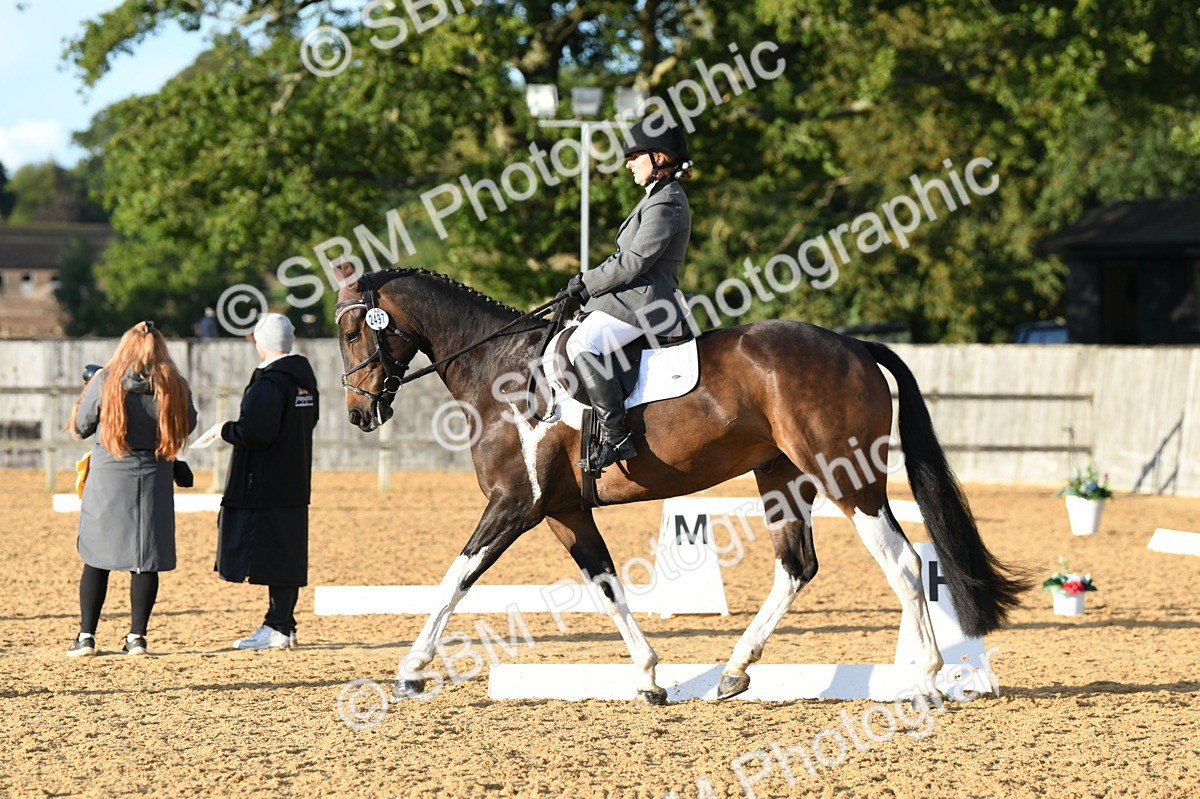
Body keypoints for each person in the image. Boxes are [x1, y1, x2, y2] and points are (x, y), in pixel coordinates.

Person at [560, 116, 694, 477]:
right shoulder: (656, 198)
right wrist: (583, 285)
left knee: (581, 344)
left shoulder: (667, 202)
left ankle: (617, 435)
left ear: (660, 158)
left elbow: (634, 261)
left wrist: (587, 283)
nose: (628, 163)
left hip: (648, 303)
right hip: (631, 298)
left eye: (635, 155)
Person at [66, 321, 198, 656]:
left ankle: (86, 636)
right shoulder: (174, 384)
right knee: (145, 557)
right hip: (153, 472)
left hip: (110, 471)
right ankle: (137, 636)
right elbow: (189, 424)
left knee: (96, 555)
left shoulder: (105, 380)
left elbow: (82, 427)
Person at [214, 313, 318, 650]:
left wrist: (225, 430)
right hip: (294, 476)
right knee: (287, 555)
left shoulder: (270, 382)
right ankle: (283, 624)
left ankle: (277, 626)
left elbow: (256, 432)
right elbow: (308, 421)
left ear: (262, 342)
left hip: (265, 481)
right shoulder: (303, 380)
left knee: (275, 555)